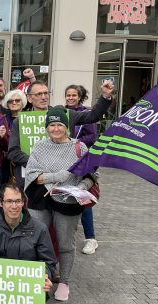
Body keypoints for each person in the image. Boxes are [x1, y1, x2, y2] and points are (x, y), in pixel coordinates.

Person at [24, 106, 97, 301]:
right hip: (42, 198)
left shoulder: (79, 147)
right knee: (35, 238)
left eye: (59, 125)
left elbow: (92, 175)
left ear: (66, 126)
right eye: (52, 125)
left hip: (69, 199)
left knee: (65, 242)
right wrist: (57, 176)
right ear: (46, 127)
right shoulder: (39, 146)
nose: (56, 129)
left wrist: (81, 186)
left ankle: (64, 282)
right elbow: (32, 176)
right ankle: (40, 276)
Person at [7, 79, 114, 189]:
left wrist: (105, 96)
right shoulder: (20, 121)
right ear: (29, 98)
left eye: (46, 93)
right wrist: (36, 164)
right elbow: (13, 152)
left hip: (62, 181)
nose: (44, 97)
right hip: (32, 180)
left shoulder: (64, 114)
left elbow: (93, 116)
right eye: (39, 94)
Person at [0, 183, 55, 292]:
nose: (14, 206)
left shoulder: (40, 229)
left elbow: (48, 262)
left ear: (23, 202)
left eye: (18, 201)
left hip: (28, 289)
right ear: (0, 202)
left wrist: (46, 276)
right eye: (9, 201)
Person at [65, 85, 99, 255]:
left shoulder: (86, 113)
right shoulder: (62, 112)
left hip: (82, 161)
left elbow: (92, 136)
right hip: (64, 162)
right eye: (68, 95)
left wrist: (73, 142)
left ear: (79, 97)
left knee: (83, 199)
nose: (70, 98)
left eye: (73, 95)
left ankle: (91, 238)